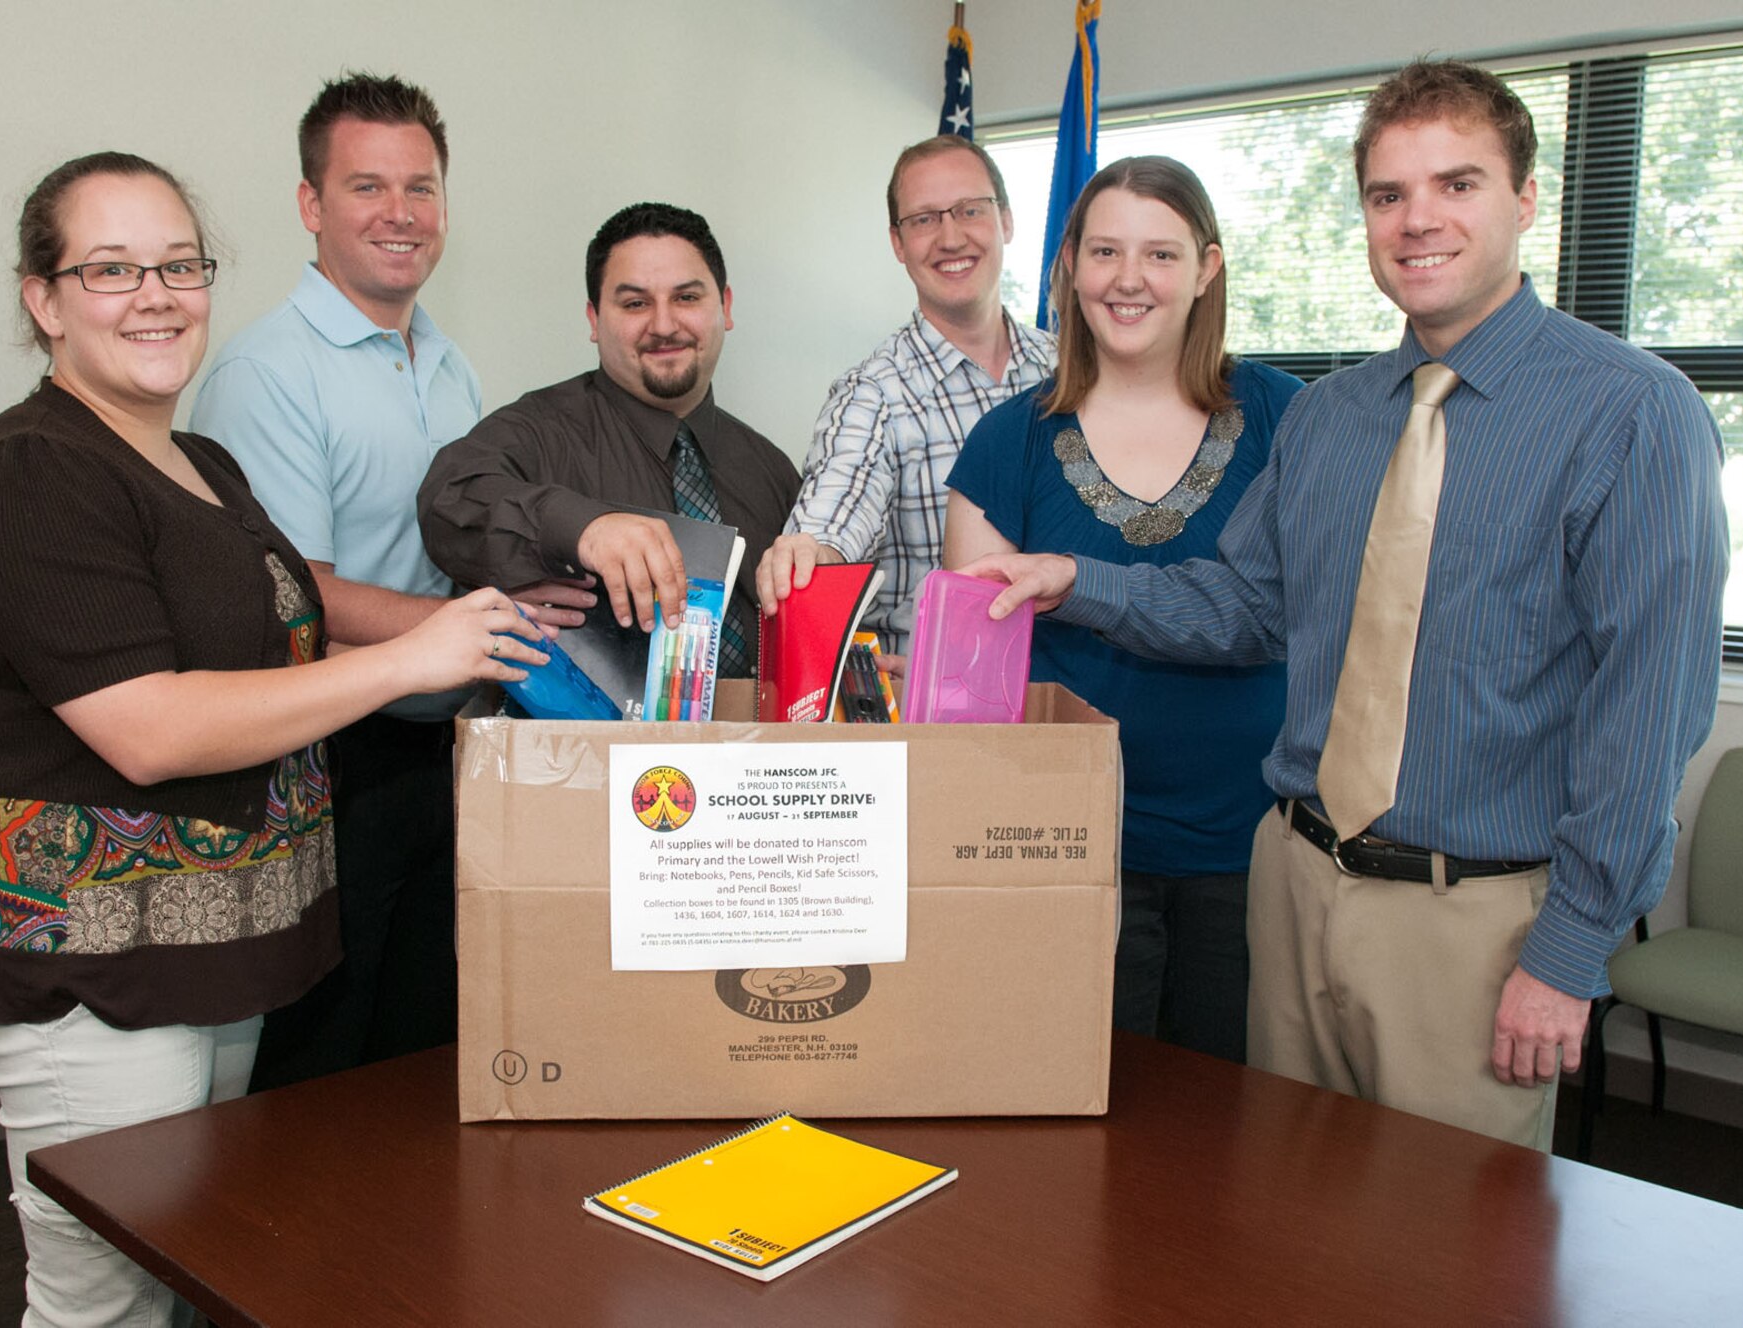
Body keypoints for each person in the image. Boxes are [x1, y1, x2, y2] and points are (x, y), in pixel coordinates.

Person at [962, 59, 1728, 1149]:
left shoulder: (1633, 415)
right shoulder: (1328, 417)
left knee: (1448, 1253)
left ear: (1523, 200)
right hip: (1290, 883)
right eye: (1386, 194)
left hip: (1468, 917)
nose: (1417, 220)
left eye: (1454, 184)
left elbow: (1645, 711)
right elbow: (1242, 608)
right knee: (1282, 1223)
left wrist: (1567, 952)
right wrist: (1075, 580)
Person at [0, 153, 539, 1327]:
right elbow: (148, 727)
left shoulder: (198, 463)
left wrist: (469, 634)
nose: (154, 293)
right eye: (109, 268)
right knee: (102, 1295)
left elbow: (279, 624)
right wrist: (408, 661)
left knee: (186, 1274)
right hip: (92, 965)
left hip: (217, 953)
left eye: (178, 263)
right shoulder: (27, 473)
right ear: (43, 299)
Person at [944, 157, 1296, 1062]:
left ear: (1207, 268)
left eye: (1160, 254)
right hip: (1070, 847)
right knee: (1093, 1115)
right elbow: (975, 684)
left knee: (1241, 1129)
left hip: (1256, 843)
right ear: (1068, 266)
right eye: (1104, 251)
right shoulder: (1007, 439)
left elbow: (1305, 612)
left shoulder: (1289, 420)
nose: (1128, 279)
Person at [190, 73, 482, 1088]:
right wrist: (471, 627)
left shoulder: (447, 362)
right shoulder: (266, 370)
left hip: (440, 743)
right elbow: (295, 589)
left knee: (420, 1042)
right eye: (367, 186)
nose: (399, 213)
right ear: (311, 205)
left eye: (421, 186)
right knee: (318, 1058)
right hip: (328, 758)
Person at [419, 203, 799, 665]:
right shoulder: (539, 431)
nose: (663, 325)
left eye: (686, 298)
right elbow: (449, 498)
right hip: (581, 737)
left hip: (761, 736)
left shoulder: (772, 471)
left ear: (726, 306)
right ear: (595, 320)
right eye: (635, 303)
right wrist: (584, 529)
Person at [757, 136, 1057, 655]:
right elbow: (834, 515)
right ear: (898, 243)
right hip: (940, 712)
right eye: (923, 219)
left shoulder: (1070, 370)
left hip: (1072, 695)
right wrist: (812, 552)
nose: (950, 236)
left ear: (1006, 220)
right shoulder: (873, 394)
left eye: (969, 210)